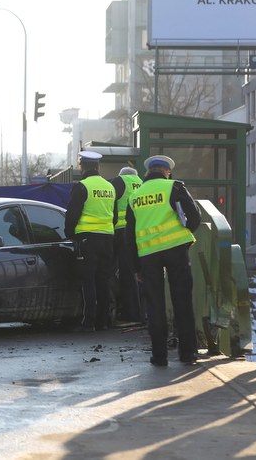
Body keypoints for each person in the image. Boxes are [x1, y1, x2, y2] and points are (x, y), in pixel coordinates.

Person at [125, 155, 202, 366]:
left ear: (148, 172)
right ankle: (188, 353)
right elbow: (194, 217)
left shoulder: (135, 196)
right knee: (182, 301)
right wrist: (184, 233)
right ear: (167, 171)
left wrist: (135, 267)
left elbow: (129, 236)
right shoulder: (174, 188)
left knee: (155, 305)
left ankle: (159, 356)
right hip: (176, 250)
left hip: (148, 255)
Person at [64, 151, 117, 332]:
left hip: (87, 240)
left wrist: (70, 233)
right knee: (103, 280)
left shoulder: (82, 186)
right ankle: (102, 322)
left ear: (81, 166)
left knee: (88, 281)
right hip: (107, 239)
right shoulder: (110, 187)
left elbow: (72, 213)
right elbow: (115, 216)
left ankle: (89, 322)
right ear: (98, 167)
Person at [110, 165, 143, 325]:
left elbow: (109, 201)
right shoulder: (142, 183)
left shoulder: (119, 181)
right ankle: (140, 312)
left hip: (121, 231)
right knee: (136, 273)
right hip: (141, 233)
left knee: (120, 273)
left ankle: (129, 314)